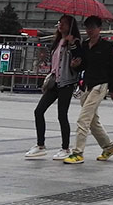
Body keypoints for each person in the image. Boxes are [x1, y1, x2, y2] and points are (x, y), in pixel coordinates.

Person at [63, 16, 113, 164]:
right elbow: (82, 64)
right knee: (93, 121)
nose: (89, 31)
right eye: (87, 28)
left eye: (92, 28)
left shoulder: (107, 47)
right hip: (87, 85)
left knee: (83, 119)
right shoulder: (85, 44)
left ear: (99, 29)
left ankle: (78, 153)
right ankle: (108, 147)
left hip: (100, 85)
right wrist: (75, 64)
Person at [25, 15, 82, 160]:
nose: (60, 25)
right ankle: (40, 145)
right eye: (59, 22)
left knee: (62, 115)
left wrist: (73, 45)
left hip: (67, 83)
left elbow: (80, 61)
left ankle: (65, 148)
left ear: (71, 26)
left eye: (63, 23)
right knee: (39, 111)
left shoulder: (75, 42)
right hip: (55, 82)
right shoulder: (57, 42)